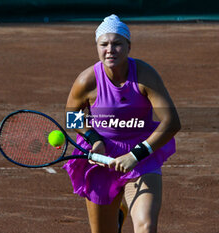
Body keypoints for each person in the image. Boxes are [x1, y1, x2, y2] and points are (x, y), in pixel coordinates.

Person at [63, 14, 181, 233]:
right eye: (104, 44)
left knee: (146, 227)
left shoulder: (145, 75)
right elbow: (72, 115)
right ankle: (118, 216)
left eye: (117, 44)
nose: (110, 50)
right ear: (97, 47)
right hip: (100, 160)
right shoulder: (86, 80)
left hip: (141, 156)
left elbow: (171, 121)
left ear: (128, 46)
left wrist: (135, 155)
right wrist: (94, 139)